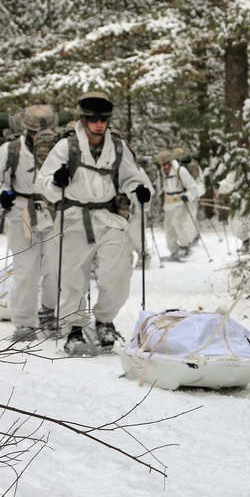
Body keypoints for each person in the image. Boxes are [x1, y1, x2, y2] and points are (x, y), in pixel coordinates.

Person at [36, 91, 153, 356]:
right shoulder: (66, 147)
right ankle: (74, 330)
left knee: (119, 272)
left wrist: (139, 190)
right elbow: (42, 182)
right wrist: (57, 180)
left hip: (107, 216)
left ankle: (104, 320)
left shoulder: (118, 147)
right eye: (93, 119)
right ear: (83, 119)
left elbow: (132, 177)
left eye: (104, 118)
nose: (99, 124)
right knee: (72, 277)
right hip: (73, 216)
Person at [0, 104, 60, 341]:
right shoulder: (11, 149)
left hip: (54, 212)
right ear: (27, 130)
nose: (42, 137)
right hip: (22, 213)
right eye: (38, 132)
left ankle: (49, 312)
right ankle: (24, 322)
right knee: (26, 269)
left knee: (55, 268)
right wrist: (2, 194)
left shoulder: (61, 148)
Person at [157, 148, 203, 261]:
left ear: (171, 162)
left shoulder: (180, 171)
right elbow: (160, 188)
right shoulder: (161, 173)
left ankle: (185, 246)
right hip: (168, 203)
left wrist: (187, 196)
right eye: (163, 165)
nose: (165, 167)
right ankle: (173, 251)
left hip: (181, 201)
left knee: (178, 223)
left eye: (167, 164)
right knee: (168, 227)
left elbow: (192, 187)